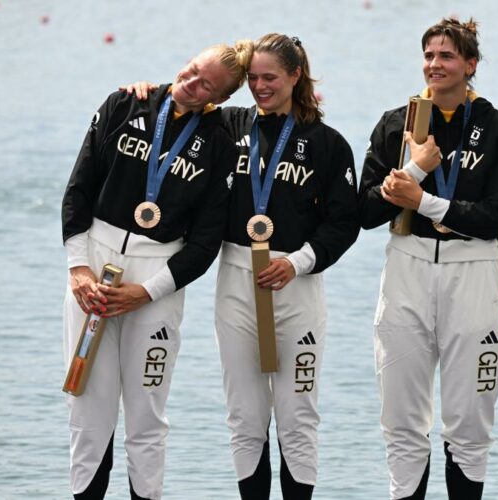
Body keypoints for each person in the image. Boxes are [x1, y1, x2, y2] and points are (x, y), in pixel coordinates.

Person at [125, 33, 359, 499]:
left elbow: (344, 222)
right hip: (236, 279)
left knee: (297, 415)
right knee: (245, 416)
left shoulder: (327, 143)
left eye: (270, 77)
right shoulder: (227, 126)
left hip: (296, 283)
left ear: (296, 75)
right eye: (252, 78)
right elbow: (181, 108)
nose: (259, 87)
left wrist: (299, 263)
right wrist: (145, 92)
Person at [61, 42, 252, 499]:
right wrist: (78, 270)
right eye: (190, 70)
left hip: (157, 279)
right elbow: (78, 190)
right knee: (88, 410)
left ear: (220, 100)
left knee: (146, 417)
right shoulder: (126, 103)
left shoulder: (221, 145)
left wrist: (147, 292)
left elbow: (205, 243)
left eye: (205, 84)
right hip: (95, 267)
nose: (190, 83)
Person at [358, 17, 498, 500]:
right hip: (406, 268)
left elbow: (496, 218)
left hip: (472, 272)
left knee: (469, 421)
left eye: (447, 56)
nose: (435, 64)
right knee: (402, 418)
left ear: (471, 64)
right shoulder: (398, 122)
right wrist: (412, 169)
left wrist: (425, 201)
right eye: (429, 55)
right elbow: (365, 211)